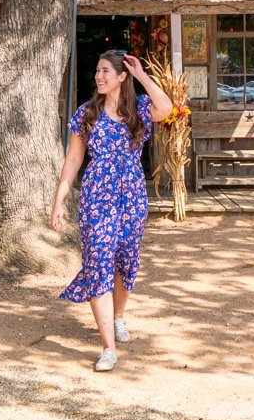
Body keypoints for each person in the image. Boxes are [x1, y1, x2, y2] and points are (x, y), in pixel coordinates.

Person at [50, 50, 171, 372]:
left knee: (125, 262)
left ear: (121, 76)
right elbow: (73, 160)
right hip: (96, 197)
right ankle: (108, 348)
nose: (99, 76)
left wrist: (142, 75)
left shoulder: (139, 109)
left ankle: (118, 317)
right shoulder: (86, 113)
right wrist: (59, 200)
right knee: (98, 263)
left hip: (131, 196)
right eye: (97, 70)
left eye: (106, 71)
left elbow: (166, 109)